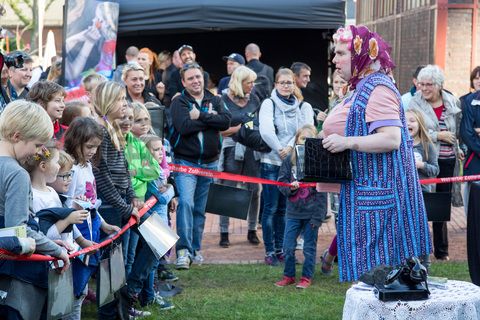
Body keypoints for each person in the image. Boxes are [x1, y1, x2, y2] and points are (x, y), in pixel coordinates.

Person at [320, 25, 431, 282]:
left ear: (360, 55)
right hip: (370, 198)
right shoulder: (363, 86)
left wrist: (347, 141)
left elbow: (392, 138)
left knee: (384, 284)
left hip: (381, 204)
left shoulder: (378, 88)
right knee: (373, 284)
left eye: (340, 54)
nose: (334, 61)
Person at [92, 81, 157, 318]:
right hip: (110, 207)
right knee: (111, 265)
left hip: (123, 202)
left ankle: (129, 291)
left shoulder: (113, 129)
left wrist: (131, 197)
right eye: (120, 99)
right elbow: (101, 176)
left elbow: (123, 169)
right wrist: (124, 206)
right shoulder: (100, 131)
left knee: (159, 239)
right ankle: (111, 313)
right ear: (108, 102)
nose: (124, 104)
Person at [0, 100, 69, 319]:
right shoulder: (17, 174)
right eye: (38, 145)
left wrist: (43, 244)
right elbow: (16, 233)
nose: (40, 152)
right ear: (17, 136)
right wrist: (56, 251)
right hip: (16, 274)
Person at [169, 63, 231, 269]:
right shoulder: (179, 102)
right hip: (185, 163)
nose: (196, 81)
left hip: (210, 163)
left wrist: (202, 116)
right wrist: (211, 120)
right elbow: (184, 127)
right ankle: (183, 251)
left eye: (198, 77)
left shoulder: (215, 99)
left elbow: (225, 122)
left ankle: (196, 249)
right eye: (191, 78)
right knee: (186, 203)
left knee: (200, 208)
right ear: (184, 82)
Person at [409, 64, 463, 261]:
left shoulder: (452, 102)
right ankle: (421, 250)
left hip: (448, 160)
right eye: (421, 84)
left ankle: (442, 251)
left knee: (442, 204)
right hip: (426, 160)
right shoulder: (414, 104)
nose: (423, 88)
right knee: (423, 204)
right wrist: (438, 135)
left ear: (439, 85)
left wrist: (460, 149)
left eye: (428, 84)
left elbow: (456, 132)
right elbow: (413, 129)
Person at [258, 68, 309, 265]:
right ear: (276, 84)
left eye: (290, 82)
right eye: (283, 82)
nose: (286, 86)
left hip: (290, 164)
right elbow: (266, 129)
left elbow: (300, 131)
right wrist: (279, 148)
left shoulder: (299, 107)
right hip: (271, 162)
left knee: (284, 209)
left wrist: (289, 147)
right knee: (270, 208)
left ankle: (281, 249)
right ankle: (270, 251)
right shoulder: (268, 104)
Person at [275, 125, 327, 289]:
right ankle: (289, 275)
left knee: (309, 249)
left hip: (311, 215)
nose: (305, 143)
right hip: (293, 214)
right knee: (288, 247)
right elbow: (280, 183)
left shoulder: (319, 163)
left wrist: (318, 218)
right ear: (296, 140)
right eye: (302, 139)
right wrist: (290, 187)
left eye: (309, 140)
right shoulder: (288, 160)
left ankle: (306, 277)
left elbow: (322, 193)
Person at [218, 66, 261, 247]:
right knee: (227, 191)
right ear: (239, 82)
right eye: (249, 82)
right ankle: (224, 232)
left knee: (255, 190)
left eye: (253, 81)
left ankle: (252, 230)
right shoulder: (223, 100)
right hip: (231, 149)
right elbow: (220, 130)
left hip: (252, 149)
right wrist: (240, 129)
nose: (252, 85)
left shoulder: (255, 99)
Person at [460, 66, 480, 214]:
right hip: (474, 158)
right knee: (473, 207)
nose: (479, 81)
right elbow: (467, 132)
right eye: (476, 78)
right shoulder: (469, 100)